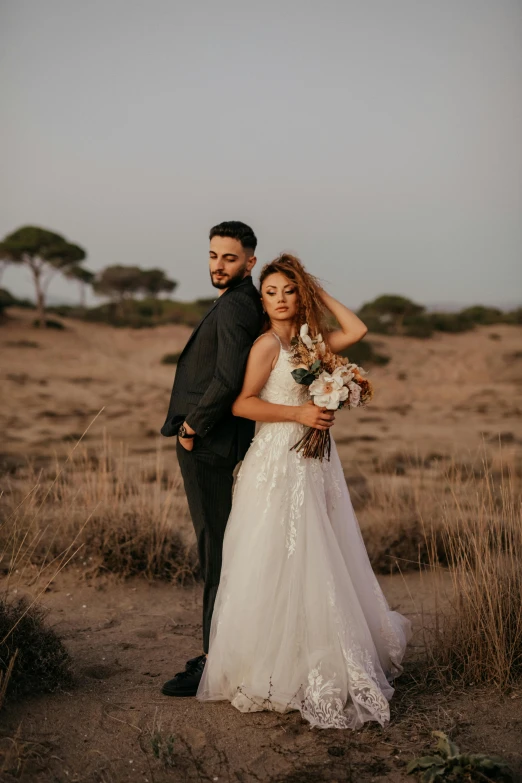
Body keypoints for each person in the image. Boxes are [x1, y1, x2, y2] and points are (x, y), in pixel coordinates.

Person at [196, 253, 411, 729]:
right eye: (269, 292)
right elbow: (242, 403)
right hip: (276, 459)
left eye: (287, 292)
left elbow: (356, 330)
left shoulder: (312, 344)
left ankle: (322, 647)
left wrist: (317, 295)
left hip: (316, 463)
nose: (278, 300)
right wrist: (299, 414)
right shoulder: (266, 346)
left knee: (320, 549)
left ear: (299, 297)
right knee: (275, 553)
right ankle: (269, 664)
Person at [160, 221, 264, 697]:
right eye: (212, 256)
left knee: (216, 553)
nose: (218, 266)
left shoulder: (239, 306)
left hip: (210, 447)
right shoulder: (238, 302)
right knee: (222, 550)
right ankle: (222, 650)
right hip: (215, 443)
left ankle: (212, 663)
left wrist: (191, 428)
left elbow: (226, 378)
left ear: (250, 262)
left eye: (229, 258)